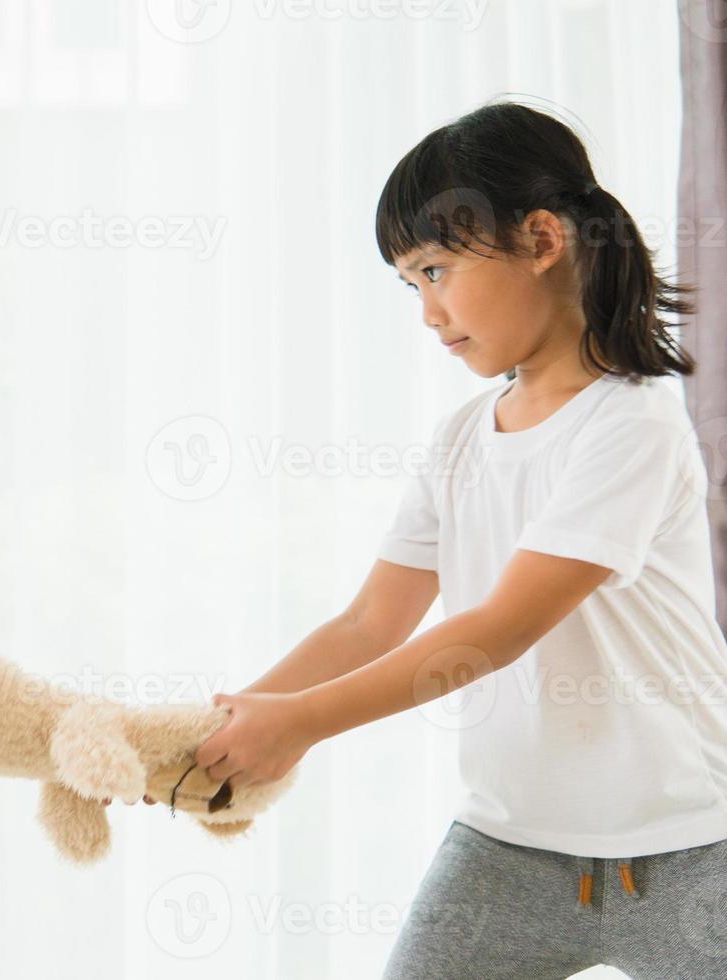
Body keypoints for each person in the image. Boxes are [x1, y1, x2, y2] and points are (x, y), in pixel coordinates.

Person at [193, 100, 727, 978]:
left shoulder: (633, 427)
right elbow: (369, 623)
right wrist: (223, 727)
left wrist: (296, 728)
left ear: (542, 238)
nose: (428, 311)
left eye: (436, 269)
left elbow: (501, 627)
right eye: (410, 284)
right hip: (509, 844)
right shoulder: (458, 441)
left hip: (690, 847)